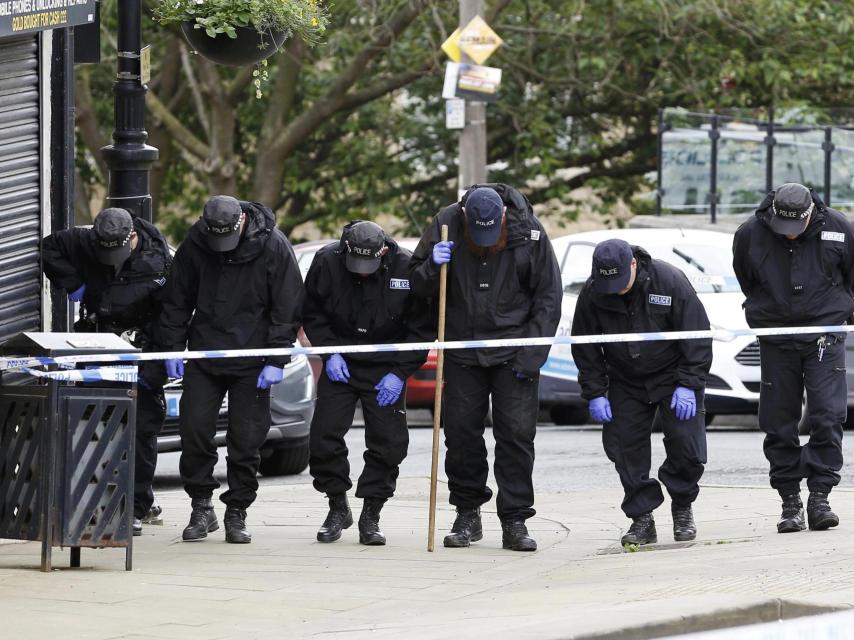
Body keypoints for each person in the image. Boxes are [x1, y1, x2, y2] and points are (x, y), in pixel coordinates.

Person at [409, 184, 562, 552]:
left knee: (516, 436)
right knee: (461, 436)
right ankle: (467, 513)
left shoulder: (530, 233)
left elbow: (548, 297)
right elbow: (415, 283)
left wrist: (532, 355)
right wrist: (432, 265)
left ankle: (515, 520)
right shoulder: (446, 223)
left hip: (514, 352)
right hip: (462, 349)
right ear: (465, 218)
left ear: (504, 219)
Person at [156, 195, 303, 544]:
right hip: (206, 354)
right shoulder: (197, 241)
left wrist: (276, 358)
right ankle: (201, 505)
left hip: (253, 358)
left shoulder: (273, 245)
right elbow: (178, 299)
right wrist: (172, 348)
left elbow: (288, 303)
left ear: (241, 223)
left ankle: (237, 510)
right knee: (194, 432)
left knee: (246, 441)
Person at [570, 239, 712, 546]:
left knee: (687, 447)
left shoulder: (669, 280)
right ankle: (642, 518)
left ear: (633, 264)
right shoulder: (595, 291)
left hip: (673, 375)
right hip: (625, 378)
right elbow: (585, 345)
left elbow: (697, 334)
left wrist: (689, 383)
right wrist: (595, 392)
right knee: (624, 448)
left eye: (620, 281)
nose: (616, 288)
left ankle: (682, 504)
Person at [42, 207, 172, 536]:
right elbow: (49, 247)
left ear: (132, 238)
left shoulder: (159, 260)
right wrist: (73, 283)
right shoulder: (86, 240)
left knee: (141, 430)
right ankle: (94, 499)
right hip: (99, 342)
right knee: (93, 424)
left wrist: (163, 355)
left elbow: (172, 312)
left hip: (144, 347)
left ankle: (136, 506)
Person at [733, 182, 854, 533]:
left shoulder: (840, 228)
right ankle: (789, 499)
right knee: (778, 421)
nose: (787, 236)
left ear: (810, 213)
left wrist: (838, 313)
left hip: (823, 334)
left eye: (794, 228)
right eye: (781, 227)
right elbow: (747, 279)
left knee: (828, 416)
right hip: (776, 335)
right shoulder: (750, 234)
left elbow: (850, 278)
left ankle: (820, 495)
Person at [303, 220, 432, 545]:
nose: (361, 272)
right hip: (341, 363)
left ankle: (371, 513)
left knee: (389, 444)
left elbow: (421, 328)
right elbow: (311, 312)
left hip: (386, 368)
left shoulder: (404, 267)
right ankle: (337, 505)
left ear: (383, 252)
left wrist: (400, 372)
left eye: (368, 265)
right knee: (323, 439)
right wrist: (329, 353)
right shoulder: (327, 261)